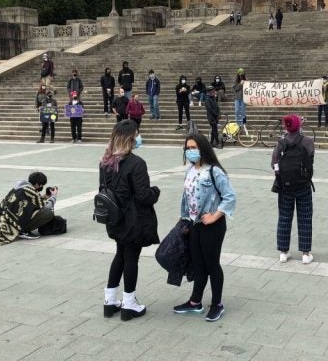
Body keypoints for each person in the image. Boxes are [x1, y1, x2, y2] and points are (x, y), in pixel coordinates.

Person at [100, 120, 160, 321]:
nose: (138, 137)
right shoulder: (136, 163)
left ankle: (110, 301)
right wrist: (155, 192)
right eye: (137, 134)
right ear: (130, 138)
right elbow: (143, 196)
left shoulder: (105, 161)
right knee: (131, 258)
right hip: (133, 220)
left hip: (115, 218)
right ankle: (129, 303)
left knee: (120, 255)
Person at [173, 134, 236, 322]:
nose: (190, 151)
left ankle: (217, 304)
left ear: (202, 148)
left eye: (194, 147)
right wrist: (184, 219)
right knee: (198, 264)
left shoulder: (214, 171)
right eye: (187, 148)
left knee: (212, 264)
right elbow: (186, 197)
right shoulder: (190, 170)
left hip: (212, 226)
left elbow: (230, 196)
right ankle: (195, 302)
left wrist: (215, 215)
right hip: (194, 225)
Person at [272, 115, 315, 265]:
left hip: (285, 186)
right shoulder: (308, 141)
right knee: (305, 218)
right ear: (299, 125)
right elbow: (310, 161)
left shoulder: (281, 143)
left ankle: (283, 252)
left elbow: (274, 164)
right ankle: (305, 253)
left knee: (284, 217)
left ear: (286, 127)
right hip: (303, 185)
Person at [0, 171, 57, 244]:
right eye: (41, 185)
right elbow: (46, 206)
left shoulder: (20, 187)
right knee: (48, 213)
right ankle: (23, 231)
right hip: (15, 224)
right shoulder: (32, 192)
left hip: (3, 220)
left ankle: (19, 228)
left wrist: (46, 196)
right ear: (36, 184)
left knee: (32, 209)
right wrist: (54, 196)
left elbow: (33, 202)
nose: (42, 187)